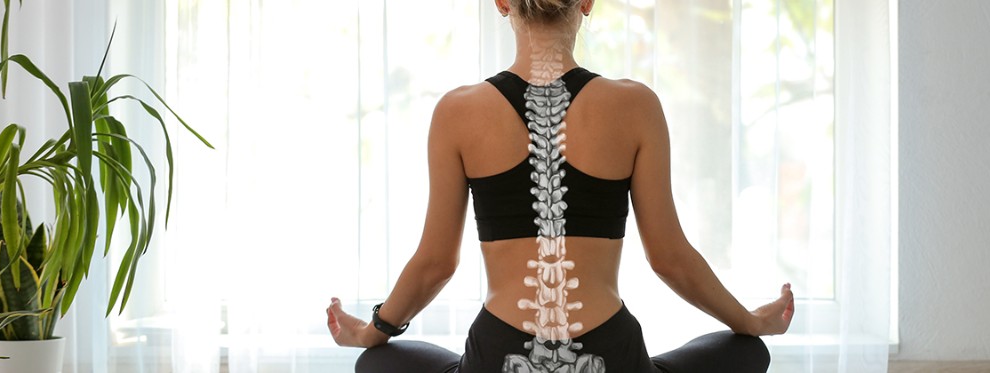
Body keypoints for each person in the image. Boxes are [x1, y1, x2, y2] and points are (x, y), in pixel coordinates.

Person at [326, 0, 795, 372]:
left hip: (500, 352)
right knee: (748, 352)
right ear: (587, 3)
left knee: (378, 361)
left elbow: (435, 266)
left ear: (502, 3)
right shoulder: (635, 105)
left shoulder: (458, 112)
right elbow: (670, 260)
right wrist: (750, 322)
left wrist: (374, 330)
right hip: (609, 353)